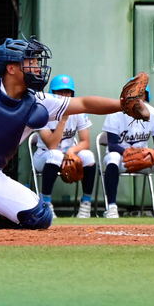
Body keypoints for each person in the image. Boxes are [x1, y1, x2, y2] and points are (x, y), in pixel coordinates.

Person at [0, 36, 135, 229]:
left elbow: (84, 103)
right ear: (11, 68)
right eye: (30, 62)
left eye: (36, 62)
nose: (37, 67)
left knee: (39, 217)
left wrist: (124, 105)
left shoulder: (38, 101)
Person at [101, 83, 154, 219]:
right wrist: (128, 153)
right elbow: (111, 144)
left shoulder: (153, 113)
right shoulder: (115, 113)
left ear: (146, 96)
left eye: (141, 93)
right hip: (123, 160)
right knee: (112, 157)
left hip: (143, 159)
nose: (137, 96)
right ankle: (111, 208)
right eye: (133, 93)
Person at [32, 75, 97, 219]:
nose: (64, 95)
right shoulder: (42, 112)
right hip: (45, 155)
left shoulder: (78, 110)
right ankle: (46, 204)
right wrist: (63, 119)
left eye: (68, 92)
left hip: (68, 155)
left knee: (88, 156)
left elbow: (85, 142)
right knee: (56, 154)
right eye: (59, 92)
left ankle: (86, 205)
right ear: (51, 93)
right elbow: (52, 145)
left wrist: (71, 151)